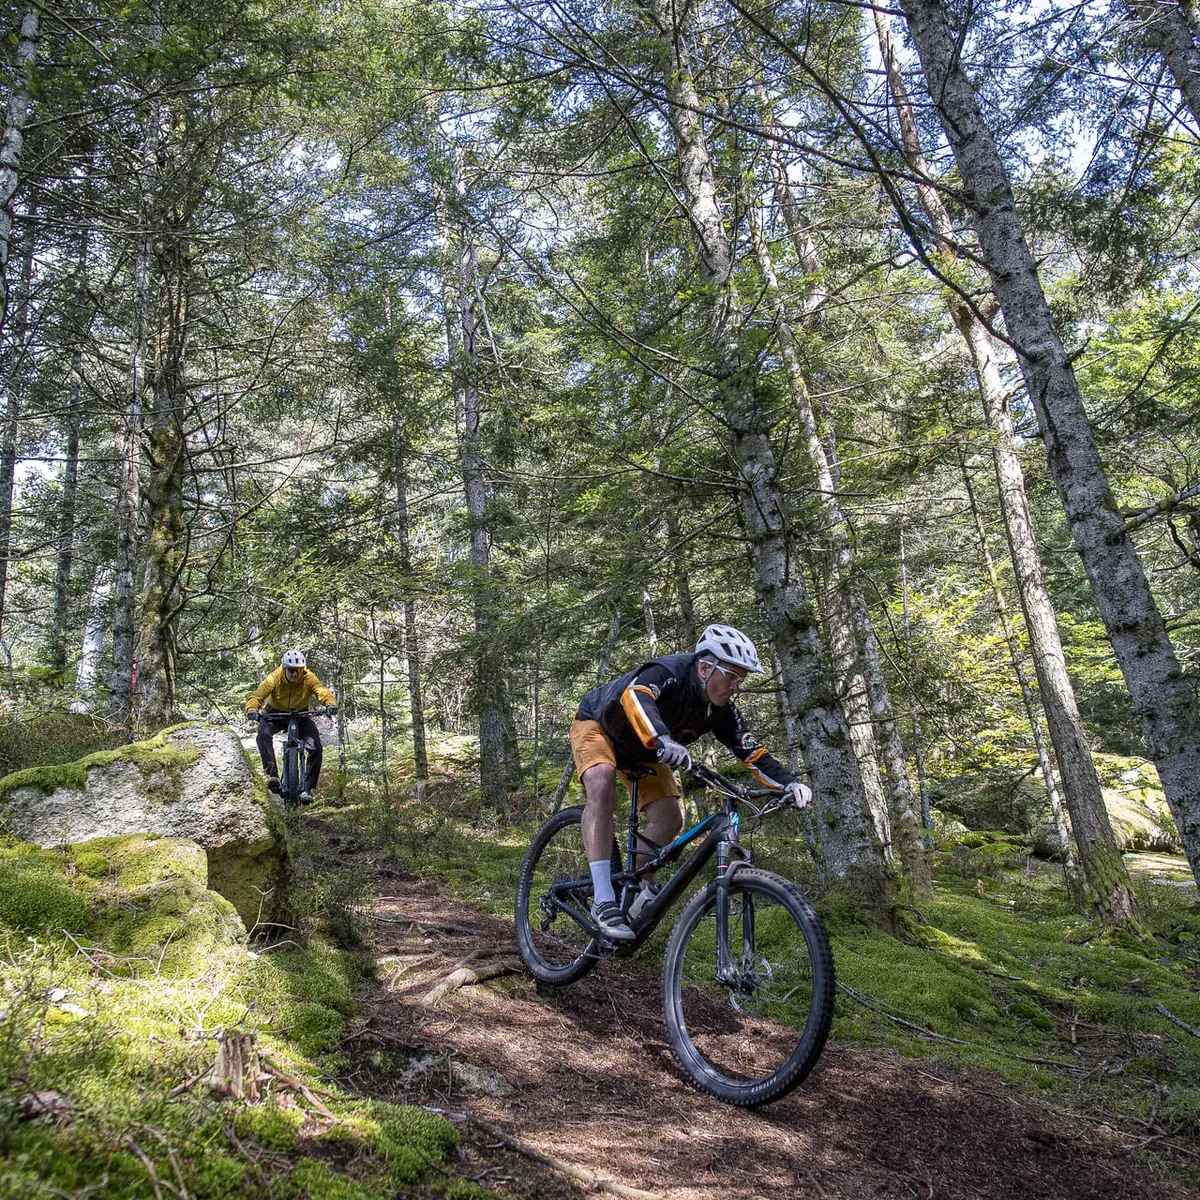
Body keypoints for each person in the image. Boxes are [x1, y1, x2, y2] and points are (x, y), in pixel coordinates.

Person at [570, 622, 812, 942]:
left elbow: (752, 752)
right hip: (600, 725)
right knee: (601, 782)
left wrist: (788, 784)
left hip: (645, 751)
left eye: (743, 678)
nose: (736, 686)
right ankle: (603, 899)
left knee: (671, 819)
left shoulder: (721, 711)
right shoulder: (669, 671)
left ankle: (630, 886)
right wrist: (662, 739)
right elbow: (636, 697)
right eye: (732, 675)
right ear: (706, 667)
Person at [244, 650, 338, 802]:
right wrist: (252, 709)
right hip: (275, 714)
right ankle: (272, 775)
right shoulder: (275, 677)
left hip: (300, 715)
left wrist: (330, 704)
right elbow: (257, 695)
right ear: (285, 668)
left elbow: (322, 691)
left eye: (299, 670)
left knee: (316, 747)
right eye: (292, 670)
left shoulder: (308, 677)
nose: (296, 674)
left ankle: (306, 789)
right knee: (262, 734)